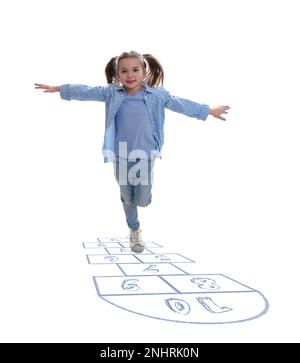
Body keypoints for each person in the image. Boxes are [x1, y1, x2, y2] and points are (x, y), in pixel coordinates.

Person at [35, 50, 230, 253]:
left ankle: (139, 202)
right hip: (120, 152)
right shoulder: (112, 93)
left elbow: (181, 104)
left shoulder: (157, 95)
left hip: (145, 153)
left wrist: (207, 110)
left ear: (144, 71)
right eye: (124, 71)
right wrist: (59, 89)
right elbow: (85, 91)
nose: (130, 75)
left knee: (143, 200)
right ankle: (134, 230)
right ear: (117, 74)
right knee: (127, 196)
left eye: (135, 69)